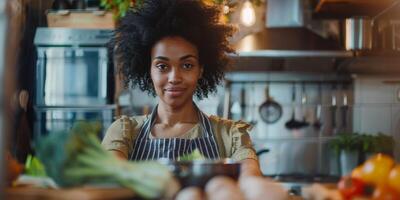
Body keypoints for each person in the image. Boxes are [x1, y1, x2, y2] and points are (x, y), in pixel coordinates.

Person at [101, 0, 261, 177]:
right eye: (162, 66)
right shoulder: (125, 131)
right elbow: (111, 178)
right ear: (149, 70)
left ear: (201, 69)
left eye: (187, 65)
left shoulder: (231, 135)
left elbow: (250, 177)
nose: (174, 78)